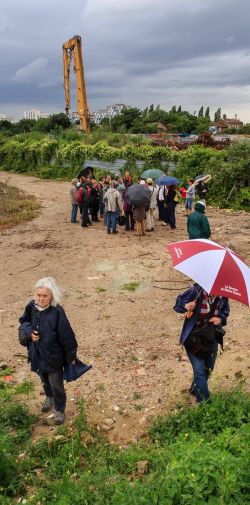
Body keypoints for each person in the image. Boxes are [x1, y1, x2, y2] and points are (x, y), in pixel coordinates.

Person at [18, 277, 78, 425]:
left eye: (45, 295)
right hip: (36, 353)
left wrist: (71, 355)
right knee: (43, 378)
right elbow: (23, 322)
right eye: (39, 295)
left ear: (51, 296)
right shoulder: (31, 306)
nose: (41, 298)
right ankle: (49, 398)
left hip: (53, 356)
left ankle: (59, 409)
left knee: (56, 383)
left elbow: (66, 334)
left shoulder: (57, 310)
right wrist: (30, 332)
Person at [174, 283, 230, 403]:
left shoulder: (223, 297)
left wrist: (220, 319)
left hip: (211, 337)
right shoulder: (196, 291)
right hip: (193, 338)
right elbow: (177, 305)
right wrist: (186, 306)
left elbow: (225, 313)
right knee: (199, 371)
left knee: (208, 368)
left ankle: (195, 390)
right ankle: (205, 405)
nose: (217, 291)